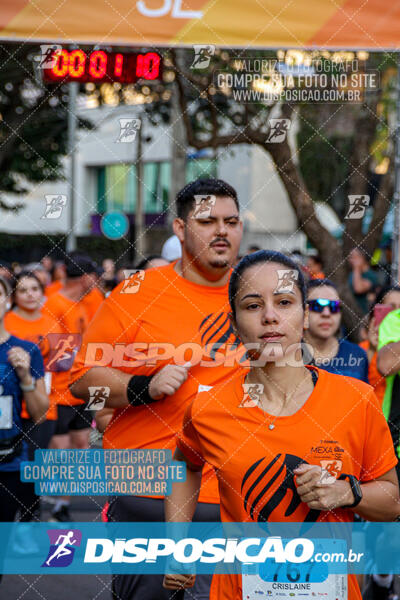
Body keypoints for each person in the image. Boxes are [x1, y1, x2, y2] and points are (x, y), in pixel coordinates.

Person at [164, 250, 399, 600]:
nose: (270, 317)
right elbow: (184, 466)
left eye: (285, 302)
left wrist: (348, 492)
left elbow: (393, 503)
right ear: (233, 322)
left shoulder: (356, 400)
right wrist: (176, 543)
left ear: (304, 316)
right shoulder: (208, 407)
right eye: (253, 306)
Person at [70, 178, 243, 600]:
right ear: (181, 229)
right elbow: (81, 382)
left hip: (237, 495)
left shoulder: (256, 295)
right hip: (148, 489)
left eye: (232, 221)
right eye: (208, 221)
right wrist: (142, 386)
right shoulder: (136, 293)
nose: (222, 231)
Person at [43, 253, 97, 522]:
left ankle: (61, 505)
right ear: (86, 277)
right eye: (94, 276)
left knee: (81, 445)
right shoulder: (55, 303)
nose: (96, 281)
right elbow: (57, 353)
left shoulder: (81, 305)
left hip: (80, 390)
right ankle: (54, 507)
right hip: (60, 393)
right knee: (62, 451)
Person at [4, 272, 62, 518]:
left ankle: (29, 520)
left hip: (35, 408)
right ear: (14, 298)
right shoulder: (9, 322)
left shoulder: (52, 323)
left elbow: (62, 362)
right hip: (14, 416)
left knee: (32, 471)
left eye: (35, 289)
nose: (30, 295)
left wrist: (28, 375)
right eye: (23, 290)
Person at [0, 275, 48, 522]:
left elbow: (39, 415)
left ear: (7, 301)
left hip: (8, 462)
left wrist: (25, 376)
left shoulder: (27, 351)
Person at [304, 278, 369, 382]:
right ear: (304, 311)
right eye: (317, 306)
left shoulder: (357, 355)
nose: (326, 313)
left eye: (334, 306)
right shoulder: (289, 356)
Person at [348, 248, 378, 314]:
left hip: (364, 313)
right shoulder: (353, 274)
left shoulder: (371, 275)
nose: (350, 260)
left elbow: (358, 289)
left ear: (362, 258)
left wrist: (357, 267)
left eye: (353, 257)